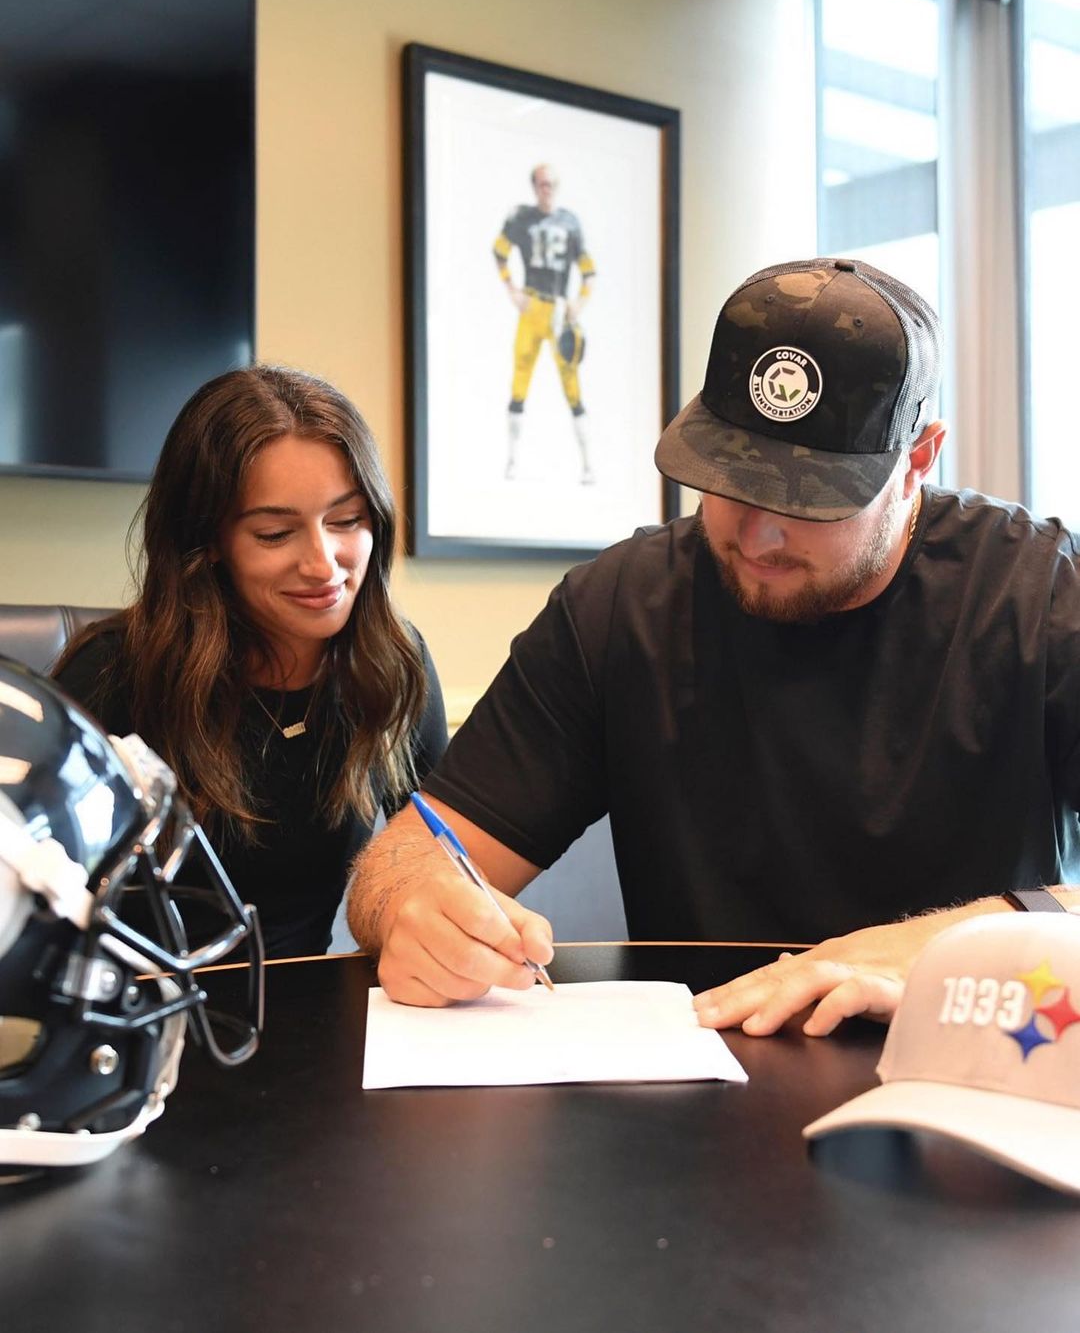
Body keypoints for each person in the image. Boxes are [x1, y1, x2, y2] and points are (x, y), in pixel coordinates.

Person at [348, 256, 1080, 1034]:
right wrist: (411, 906)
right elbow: (404, 861)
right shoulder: (619, 607)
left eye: (808, 497)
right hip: (701, 1061)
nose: (758, 535)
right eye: (732, 481)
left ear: (918, 460)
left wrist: (938, 951)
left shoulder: (1038, 596)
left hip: (974, 1061)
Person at [55, 365, 448, 959]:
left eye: (346, 521)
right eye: (274, 534)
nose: (323, 564)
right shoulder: (112, 674)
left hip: (310, 998)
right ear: (208, 541)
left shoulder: (392, 664)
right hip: (141, 1003)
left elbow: (436, 861)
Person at [493, 163, 596, 483]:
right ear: (534, 186)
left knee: (571, 384)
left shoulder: (570, 222)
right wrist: (512, 289)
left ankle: (587, 463)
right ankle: (512, 460)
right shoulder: (521, 218)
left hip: (558, 309)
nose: (545, 189)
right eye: (541, 183)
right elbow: (499, 251)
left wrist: (579, 302)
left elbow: (588, 270)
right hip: (532, 305)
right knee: (520, 378)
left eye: (550, 183)